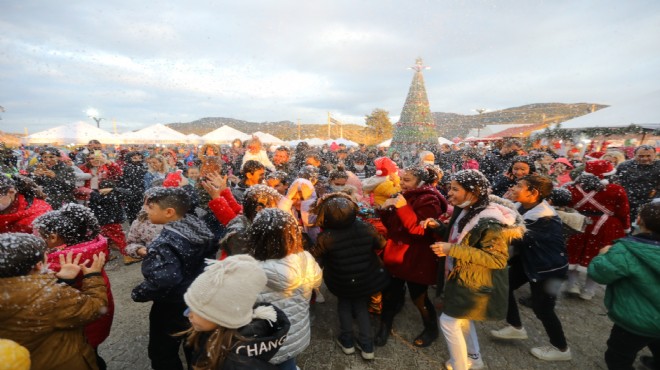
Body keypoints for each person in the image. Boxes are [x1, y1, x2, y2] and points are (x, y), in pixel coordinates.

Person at [423, 170, 524, 370]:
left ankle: (460, 365)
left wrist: (452, 249)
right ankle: (474, 358)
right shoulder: (466, 210)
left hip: (474, 281)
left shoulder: (489, 220)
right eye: (449, 188)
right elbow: (459, 237)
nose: (449, 193)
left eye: (455, 189)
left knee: (448, 322)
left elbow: (496, 259)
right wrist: (438, 227)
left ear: (473, 192)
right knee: (462, 319)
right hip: (462, 276)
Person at [131, 187, 216, 370]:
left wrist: (139, 292)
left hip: (171, 305)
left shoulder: (165, 243)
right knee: (195, 346)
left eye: (151, 207)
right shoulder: (196, 226)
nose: (146, 210)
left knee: (163, 352)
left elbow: (166, 279)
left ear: (169, 212)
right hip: (197, 299)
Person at [490, 174, 571, 361]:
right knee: (504, 286)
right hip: (529, 262)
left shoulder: (545, 218)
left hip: (549, 269)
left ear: (533, 193)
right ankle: (515, 326)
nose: (514, 188)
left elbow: (518, 235)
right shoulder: (523, 206)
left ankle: (561, 348)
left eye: (519, 186)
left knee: (543, 308)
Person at [0, 233, 107, 370]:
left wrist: (62, 281)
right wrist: (93, 277)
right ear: (38, 266)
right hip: (62, 361)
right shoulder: (49, 297)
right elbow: (95, 308)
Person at [33, 203, 115, 369]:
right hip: (97, 315)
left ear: (54, 238)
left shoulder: (59, 263)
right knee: (92, 354)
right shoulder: (90, 247)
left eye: (39, 235)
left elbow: (43, 296)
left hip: (79, 326)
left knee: (86, 357)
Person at [375, 165, 448, 348]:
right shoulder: (405, 195)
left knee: (419, 297)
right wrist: (386, 209)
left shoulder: (430, 200)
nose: (402, 184)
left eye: (407, 180)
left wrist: (402, 207)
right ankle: (385, 327)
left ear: (420, 182)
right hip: (396, 253)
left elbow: (419, 231)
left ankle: (431, 329)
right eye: (402, 179)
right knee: (390, 293)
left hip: (416, 257)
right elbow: (392, 225)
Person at [311, 193, 390, 360]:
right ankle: (367, 346)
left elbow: (315, 256)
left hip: (341, 279)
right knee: (361, 307)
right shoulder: (365, 227)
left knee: (344, 306)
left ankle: (347, 342)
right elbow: (381, 244)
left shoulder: (326, 237)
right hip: (365, 276)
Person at [182, 255, 291, 369]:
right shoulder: (211, 333)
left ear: (222, 316)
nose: (187, 314)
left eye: (196, 310)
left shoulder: (235, 364)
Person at [588, 200, 660, 370]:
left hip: (637, 320)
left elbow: (599, 274)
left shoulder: (625, 251)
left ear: (640, 220)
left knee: (618, 357)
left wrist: (602, 255)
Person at [248, 208, 323, 370]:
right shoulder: (306, 259)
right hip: (294, 333)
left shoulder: (249, 270)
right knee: (288, 363)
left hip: (263, 342)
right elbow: (317, 281)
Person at [565, 160, 630, 300]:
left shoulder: (573, 188)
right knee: (596, 256)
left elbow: (567, 205)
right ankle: (589, 290)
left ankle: (572, 285)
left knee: (573, 253)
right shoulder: (616, 189)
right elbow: (623, 211)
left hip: (579, 223)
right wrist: (626, 228)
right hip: (605, 227)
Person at [613, 144, 659, 221]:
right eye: (641, 156)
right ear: (634, 155)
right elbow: (616, 182)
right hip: (627, 202)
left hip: (651, 203)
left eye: (648, 156)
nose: (645, 158)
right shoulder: (624, 166)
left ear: (655, 155)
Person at [119, 151, 147, 224]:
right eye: (134, 158)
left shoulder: (143, 167)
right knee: (133, 217)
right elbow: (122, 182)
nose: (138, 159)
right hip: (130, 195)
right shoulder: (126, 168)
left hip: (140, 195)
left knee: (141, 216)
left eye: (140, 158)